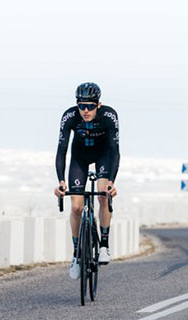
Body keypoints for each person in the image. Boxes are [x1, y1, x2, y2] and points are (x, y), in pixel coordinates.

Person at [54, 82, 120, 279]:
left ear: (98, 105)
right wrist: (61, 181)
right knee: (75, 207)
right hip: (79, 158)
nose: (85, 110)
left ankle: (104, 246)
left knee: (102, 196)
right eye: (82, 105)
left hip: (104, 156)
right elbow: (61, 151)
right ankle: (76, 255)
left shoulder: (109, 116)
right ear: (77, 104)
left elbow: (115, 151)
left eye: (90, 106)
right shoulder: (70, 116)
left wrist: (111, 182)